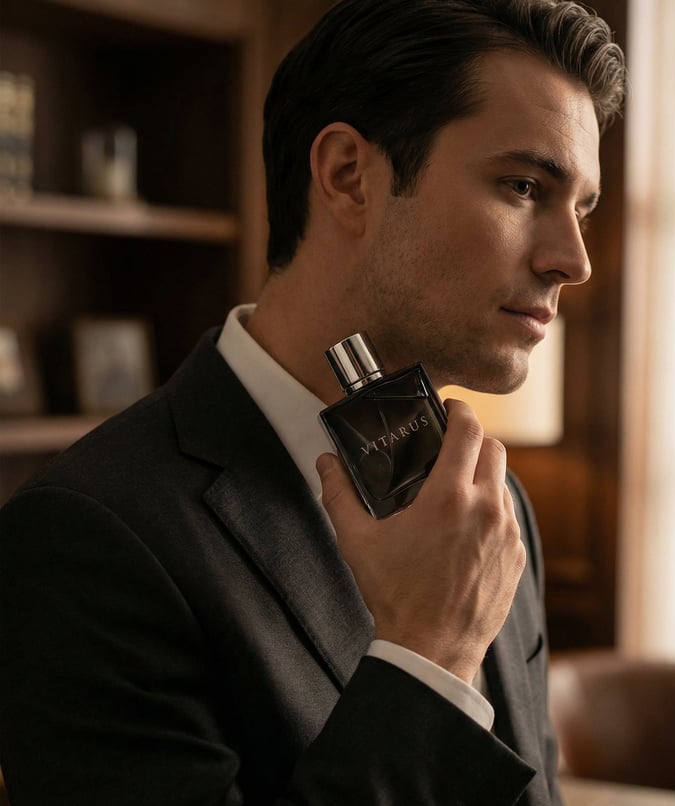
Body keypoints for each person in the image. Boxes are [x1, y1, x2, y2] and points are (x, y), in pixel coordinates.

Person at [0, 0, 625, 803]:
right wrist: (429, 655)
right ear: (347, 177)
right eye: (522, 185)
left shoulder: (494, 511)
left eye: (580, 207)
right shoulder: (82, 541)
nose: (572, 260)